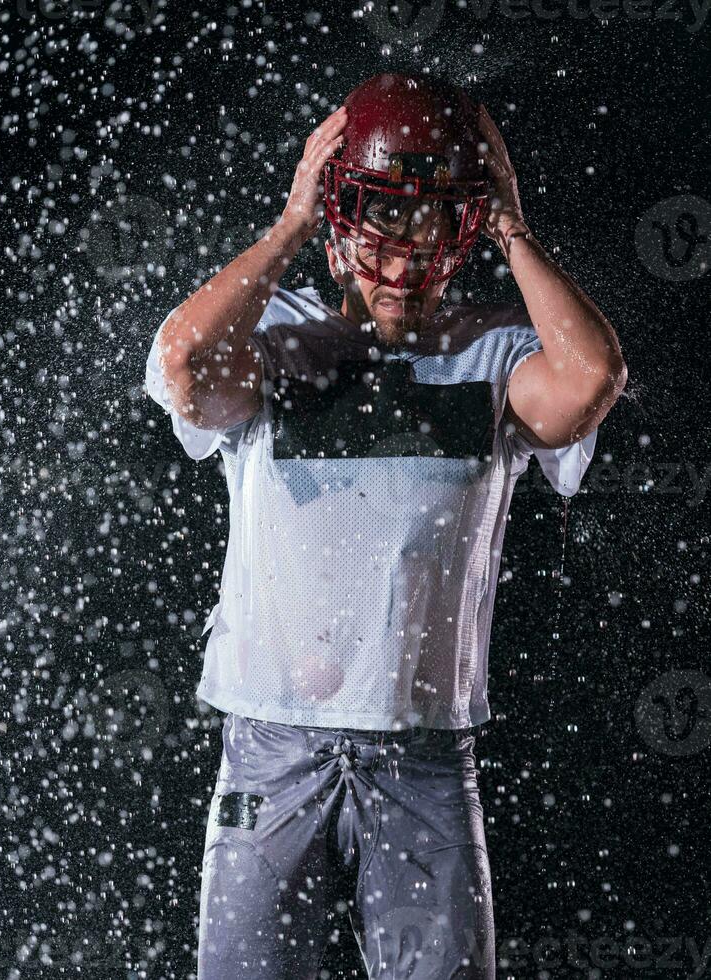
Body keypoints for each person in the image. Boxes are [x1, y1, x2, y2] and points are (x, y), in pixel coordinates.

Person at [145, 73, 627, 979]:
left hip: (425, 755)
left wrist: (514, 227)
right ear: (337, 239)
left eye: (430, 236)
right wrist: (288, 226)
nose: (403, 267)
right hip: (270, 747)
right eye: (381, 239)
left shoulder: (495, 352)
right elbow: (183, 366)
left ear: (463, 238)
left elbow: (591, 381)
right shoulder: (275, 339)